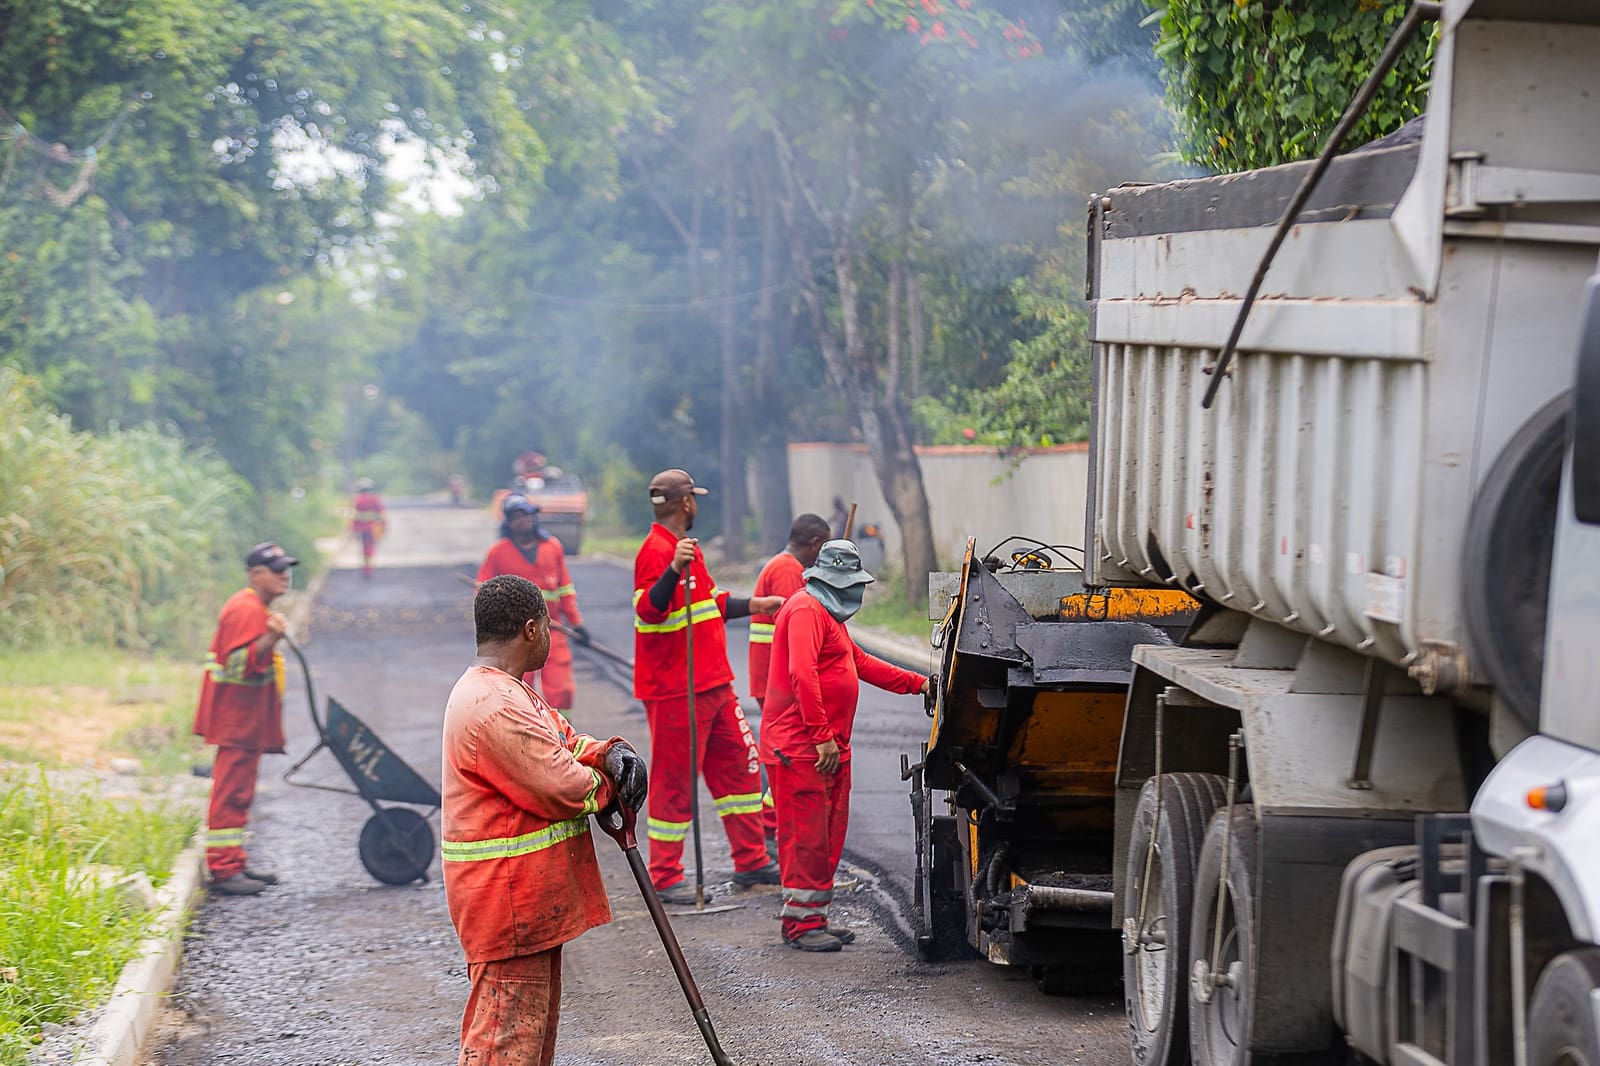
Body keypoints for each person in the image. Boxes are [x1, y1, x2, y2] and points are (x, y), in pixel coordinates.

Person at [441, 575, 648, 1066]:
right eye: (550, 626)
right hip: (506, 900)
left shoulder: (509, 692)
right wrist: (608, 787)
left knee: (528, 1041)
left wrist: (608, 752)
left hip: (524, 904)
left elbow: (562, 740)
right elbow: (561, 783)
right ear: (532, 629)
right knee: (504, 1044)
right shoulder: (493, 707)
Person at [759, 539, 930, 951]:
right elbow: (802, 676)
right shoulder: (804, 611)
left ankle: (813, 917)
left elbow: (861, 663)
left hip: (826, 749)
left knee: (827, 838)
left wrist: (919, 683)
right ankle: (800, 926)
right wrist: (821, 738)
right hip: (804, 750)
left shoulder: (827, 616)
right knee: (807, 840)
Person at [633, 468, 785, 903]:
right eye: (694, 498)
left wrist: (756, 604)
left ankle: (751, 860)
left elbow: (710, 603)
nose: (697, 504)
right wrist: (672, 569)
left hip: (714, 682)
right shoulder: (657, 551)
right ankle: (665, 875)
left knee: (741, 765)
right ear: (685, 503)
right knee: (675, 781)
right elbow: (650, 610)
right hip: (676, 690)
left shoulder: (688, 551)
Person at [193, 542, 298, 897]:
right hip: (236, 721)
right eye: (277, 569)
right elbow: (236, 664)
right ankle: (223, 869)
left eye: (287, 568)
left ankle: (233, 861)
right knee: (230, 793)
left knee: (240, 792)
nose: (285, 575)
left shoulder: (255, 607)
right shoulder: (245, 609)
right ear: (256, 574)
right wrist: (271, 637)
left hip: (245, 721)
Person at [748, 513, 832, 838]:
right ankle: (772, 828)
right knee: (789, 759)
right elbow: (799, 623)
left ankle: (776, 827)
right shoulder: (787, 571)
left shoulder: (785, 566)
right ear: (815, 544)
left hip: (774, 679)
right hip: (778, 681)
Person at [476, 494, 589, 714]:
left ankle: (562, 733)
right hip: (515, 634)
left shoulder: (552, 547)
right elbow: (482, 591)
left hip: (551, 629)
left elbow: (565, 588)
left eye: (527, 514)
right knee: (518, 688)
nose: (524, 520)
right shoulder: (498, 552)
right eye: (517, 516)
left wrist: (576, 623)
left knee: (561, 689)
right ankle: (527, 733)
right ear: (508, 522)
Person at [350, 478, 386, 578]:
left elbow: (354, 516)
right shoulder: (375, 499)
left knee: (364, 548)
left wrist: (353, 529)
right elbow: (382, 514)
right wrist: (384, 527)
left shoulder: (357, 499)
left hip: (361, 529)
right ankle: (369, 568)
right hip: (373, 528)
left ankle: (366, 568)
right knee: (370, 548)